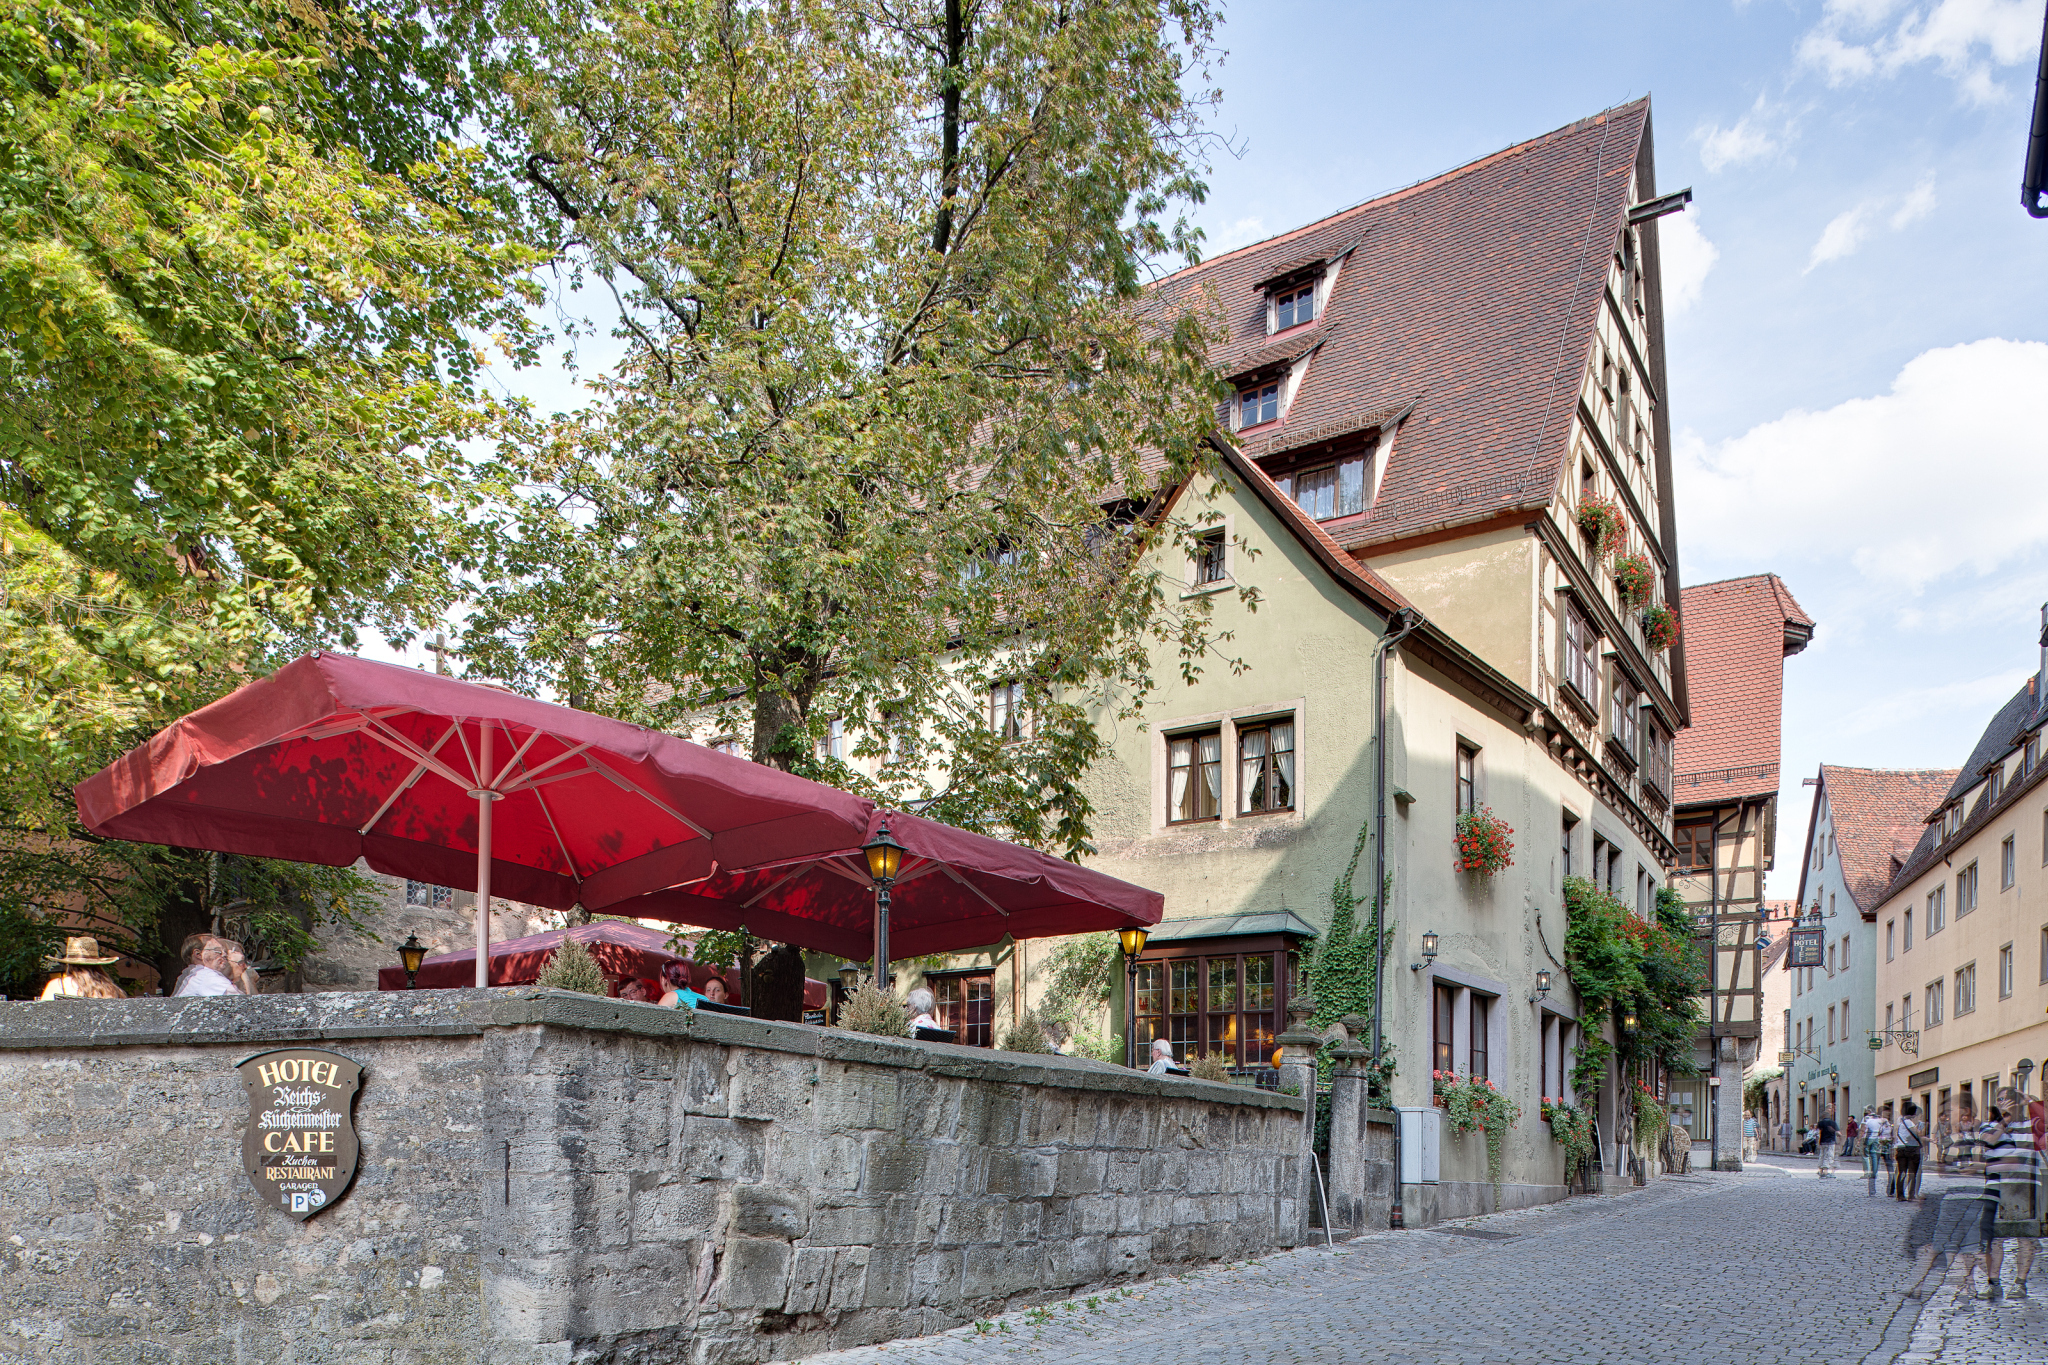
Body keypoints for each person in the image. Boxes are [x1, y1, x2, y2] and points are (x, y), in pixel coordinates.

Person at [1986, 1087, 2040, 1301]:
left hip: (2026, 1188)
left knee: (2024, 1238)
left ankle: (2020, 1283)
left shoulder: (2032, 1124)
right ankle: (1993, 1284)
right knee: (1995, 1240)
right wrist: (2005, 1120)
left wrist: (2030, 1102)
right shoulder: (1990, 1125)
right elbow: (1989, 1141)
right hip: (1997, 1188)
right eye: (1999, 1100)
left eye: (2008, 1100)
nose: (2002, 1103)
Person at [37, 937, 127, 1000]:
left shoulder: (58, 985)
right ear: (97, 964)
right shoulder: (112, 989)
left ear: (69, 964)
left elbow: (42, 1017)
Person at [172, 934, 240, 996]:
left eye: (224, 951)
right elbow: (241, 1001)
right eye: (218, 951)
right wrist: (238, 968)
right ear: (198, 954)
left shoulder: (194, 976)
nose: (224, 955)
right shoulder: (205, 975)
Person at [1896, 1100, 1925, 1201]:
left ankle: (1900, 1195)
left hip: (1900, 1148)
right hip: (1911, 1150)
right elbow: (1917, 1134)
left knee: (1901, 1172)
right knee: (1912, 1173)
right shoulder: (1909, 1122)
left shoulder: (1900, 1122)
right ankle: (1911, 1195)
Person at [1816, 1109, 1840, 1175]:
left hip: (1822, 1141)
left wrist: (1817, 1142)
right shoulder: (1833, 1123)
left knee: (1822, 1155)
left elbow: (1817, 1133)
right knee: (1829, 1155)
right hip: (1831, 1141)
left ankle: (1820, 1170)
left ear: (1823, 1116)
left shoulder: (1820, 1123)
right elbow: (1838, 1133)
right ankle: (1826, 1170)